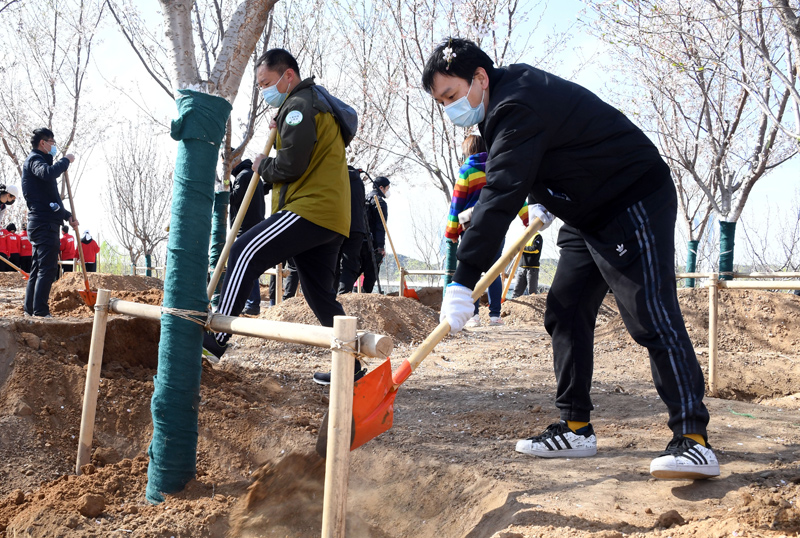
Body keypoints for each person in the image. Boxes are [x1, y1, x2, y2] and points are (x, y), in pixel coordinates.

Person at [424, 38, 718, 480]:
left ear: (479, 78)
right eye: (441, 102)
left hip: (629, 197)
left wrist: (462, 278)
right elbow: (525, 166)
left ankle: (693, 440)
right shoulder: (501, 101)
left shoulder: (516, 104)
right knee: (564, 309)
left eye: (451, 96)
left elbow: (502, 191)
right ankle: (576, 427)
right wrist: (544, 194)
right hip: (586, 210)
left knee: (650, 314)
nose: (450, 109)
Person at [202, 47, 358, 384]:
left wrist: (263, 165)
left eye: (267, 83)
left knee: (245, 250)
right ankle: (351, 366)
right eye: (259, 86)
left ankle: (216, 338)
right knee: (319, 295)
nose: (264, 91)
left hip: (311, 208)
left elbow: (290, 166)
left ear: (289, 75)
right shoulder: (312, 105)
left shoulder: (300, 107)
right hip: (331, 215)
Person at [445, 134, 528, 327]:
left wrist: (451, 231)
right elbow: (514, 193)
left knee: (470, 270)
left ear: (467, 151)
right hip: (496, 227)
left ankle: (473, 316)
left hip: (471, 228)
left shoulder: (467, 170)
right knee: (494, 271)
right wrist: (527, 217)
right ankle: (495, 316)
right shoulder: (497, 169)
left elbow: (457, 202)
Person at [21, 128, 78, 317]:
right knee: (47, 268)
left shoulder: (40, 165)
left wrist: (67, 215)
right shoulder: (35, 161)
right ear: (42, 143)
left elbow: (51, 200)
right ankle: (40, 311)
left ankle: (30, 310)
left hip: (44, 221)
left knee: (38, 268)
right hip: (43, 224)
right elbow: (47, 173)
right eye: (51, 143)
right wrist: (65, 161)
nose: (53, 146)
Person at [229, 154, 266, 315]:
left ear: (235, 159)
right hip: (255, 223)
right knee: (249, 262)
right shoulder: (252, 173)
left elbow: (232, 198)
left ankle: (252, 303)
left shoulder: (243, 176)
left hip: (246, 226)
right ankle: (251, 303)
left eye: (227, 162)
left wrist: (223, 184)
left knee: (245, 263)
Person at [336, 166, 368, 294]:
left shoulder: (336, 177)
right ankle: (344, 293)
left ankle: (331, 293)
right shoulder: (358, 182)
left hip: (336, 225)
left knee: (333, 261)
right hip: (356, 227)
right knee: (351, 263)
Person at [360, 176, 390, 293]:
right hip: (372, 243)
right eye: (387, 188)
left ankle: (347, 294)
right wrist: (380, 247)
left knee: (356, 268)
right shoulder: (380, 202)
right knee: (372, 271)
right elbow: (380, 227)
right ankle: (365, 295)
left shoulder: (365, 199)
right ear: (381, 187)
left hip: (360, 240)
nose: (387, 191)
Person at [512, 232, 544, 297]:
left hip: (532, 268)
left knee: (532, 292)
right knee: (516, 292)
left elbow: (535, 249)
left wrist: (522, 248)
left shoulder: (537, 236)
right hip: (521, 267)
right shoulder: (524, 236)